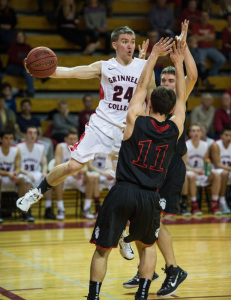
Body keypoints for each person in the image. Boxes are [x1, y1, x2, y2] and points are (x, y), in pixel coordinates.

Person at [17, 26, 155, 260]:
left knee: (124, 186)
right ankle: (36, 192)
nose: (130, 45)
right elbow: (71, 72)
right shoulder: (104, 66)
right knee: (72, 166)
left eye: (132, 41)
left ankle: (121, 233)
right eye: (124, 41)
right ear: (114, 44)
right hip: (101, 125)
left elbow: (150, 98)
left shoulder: (144, 66)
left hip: (127, 130)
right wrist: (40, 71)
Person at [86, 36, 186, 300]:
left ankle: (93, 297)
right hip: (150, 196)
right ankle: (142, 295)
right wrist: (178, 62)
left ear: (149, 104)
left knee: (102, 250)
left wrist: (151, 56)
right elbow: (183, 101)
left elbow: (141, 86)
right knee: (148, 246)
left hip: (123, 191)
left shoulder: (134, 119)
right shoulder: (175, 130)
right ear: (173, 108)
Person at [123, 20, 197, 297]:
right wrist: (145, 59)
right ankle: (148, 268)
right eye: (162, 80)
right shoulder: (156, 97)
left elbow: (192, 75)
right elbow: (145, 82)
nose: (166, 84)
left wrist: (183, 49)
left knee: (154, 221)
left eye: (170, 80)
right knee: (142, 219)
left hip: (171, 165)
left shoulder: (180, 97)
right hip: (153, 165)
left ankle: (173, 269)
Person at [54, 129, 100, 220]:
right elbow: (57, 165)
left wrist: (83, 171)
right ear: (65, 139)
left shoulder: (81, 147)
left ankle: (86, 209)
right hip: (65, 176)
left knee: (90, 177)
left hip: (77, 177)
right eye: (70, 139)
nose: (72, 141)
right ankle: (60, 209)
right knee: (57, 179)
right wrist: (71, 173)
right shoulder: (60, 147)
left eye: (75, 139)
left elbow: (86, 166)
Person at [17, 126, 54, 221]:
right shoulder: (19, 147)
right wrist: (27, 173)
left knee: (48, 181)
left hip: (36, 173)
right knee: (27, 181)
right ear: (25, 134)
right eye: (30, 132)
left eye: (34, 133)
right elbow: (16, 166)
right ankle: (26, 211)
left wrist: (44, 172)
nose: (32, 135)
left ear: (37, 135)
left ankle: (48, 209)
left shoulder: (40, 147)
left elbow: (44, 163)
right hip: (23, 173)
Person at [185, 124, 221, 215]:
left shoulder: (205, 145)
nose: (196, 133)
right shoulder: (186, 145)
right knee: (192, 176)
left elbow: (206, 162)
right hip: (190, 171)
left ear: (201, 133)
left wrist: (208, 170)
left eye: (198, 130)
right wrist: (195, 170)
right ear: (189, 133)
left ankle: (214, 204)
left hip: (201, 172)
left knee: (216, 174)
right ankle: (194, 205)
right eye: (193, 131)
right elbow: (183, 165)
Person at [0, 130, 26, 223]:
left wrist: (15, 173)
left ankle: (23, 210)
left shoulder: (16, 149)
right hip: (3, 176)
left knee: (22, 180)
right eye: (6, 138)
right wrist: (8, 174)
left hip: (11, 177)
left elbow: (18, 167)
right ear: (1, 139)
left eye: (11, 138)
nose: (9, 141)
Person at [16, 99, 54, 163]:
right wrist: (27, 136)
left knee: (49, 141)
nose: (26, 108)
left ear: (30, 107)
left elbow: (40, 131)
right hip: (23, 138)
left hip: (35, 137)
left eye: (28, 106)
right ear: (21, 108)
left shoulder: (35, 119)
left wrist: (37, 136)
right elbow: (17, 131)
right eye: (24, 106)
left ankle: (50, 163)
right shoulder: (18, 119)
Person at [191, 10, 226, 76]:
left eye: (206, 16)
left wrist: (200, 37)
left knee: (222, 59)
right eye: (203, 16)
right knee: (201, 62)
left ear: (208, 17)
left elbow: (212, 38)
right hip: (200, 48)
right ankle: (203, 77)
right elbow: (195, 39)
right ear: (200, 17)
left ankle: (211, 74)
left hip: (210, 48)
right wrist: (207, 37)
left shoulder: (211, 27)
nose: (204, 18)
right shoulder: (196, 26)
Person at [4, 30, 34, 97]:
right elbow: (12, 59)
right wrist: (23, 62)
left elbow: (32, 58)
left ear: (24, 37)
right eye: (18, 36)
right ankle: (41, 75)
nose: (20, 38)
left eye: (21, 36)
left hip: (24, 69)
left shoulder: (28, 47)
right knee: (27, 68)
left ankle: (31, 92)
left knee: (27, 72)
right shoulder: (12, 47)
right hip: (13, 68)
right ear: (16, 38)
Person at [211, 127, 231, 214]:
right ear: (221, 136)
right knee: (225, 173)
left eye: (230, 135)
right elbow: (217, 164)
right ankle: (222, 200)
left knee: (226, 173)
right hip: (217, 170)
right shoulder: (216, 145)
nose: (229, 137)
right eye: (226, 135)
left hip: (228, 170)